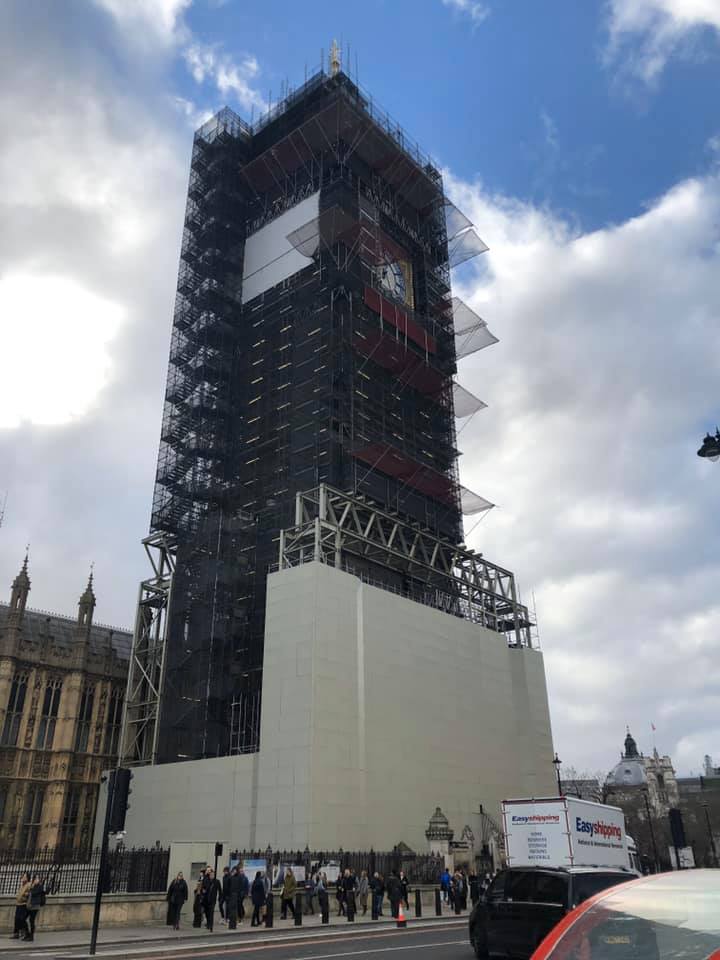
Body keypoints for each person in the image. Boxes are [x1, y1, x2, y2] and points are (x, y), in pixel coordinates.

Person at [24, 875, 45, 942]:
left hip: (35, 906)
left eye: (37, 878)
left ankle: (31, 936)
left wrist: (31, 889)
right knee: (23, 919)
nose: (36, 880)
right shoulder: (32, 886)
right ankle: (27, 933)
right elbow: (29, 893)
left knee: (31, 921)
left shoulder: (40, 886)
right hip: (29, 905)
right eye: (35, 878)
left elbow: (34, 893)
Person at [11, 873, 31, 940]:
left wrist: (24, 895)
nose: (22, 877)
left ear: (27, 878)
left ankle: (26, 933)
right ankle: (16, 934)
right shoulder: (22, 884)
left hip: (23, 905)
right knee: (17, 919)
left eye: (24, 876)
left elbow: (30, 894)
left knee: (22, 919)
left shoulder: (28, 885)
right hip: (18, 904)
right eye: (22, 876)